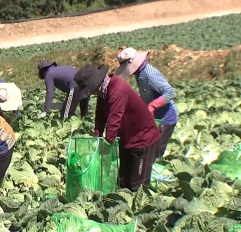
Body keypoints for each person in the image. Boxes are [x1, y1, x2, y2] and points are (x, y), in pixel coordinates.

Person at [73, 64, 161, 192]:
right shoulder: (104, 91)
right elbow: (100, 117)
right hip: (127, 140)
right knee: (123, 181)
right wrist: (96, 139)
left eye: (89, 90)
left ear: (95, 85)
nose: (90, 93)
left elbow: (114, 120)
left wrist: (106, 146)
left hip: (143, 140)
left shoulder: (117, 89)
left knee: (136, 185)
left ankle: (139, 211)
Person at [115, 47, 179, 158]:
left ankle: (156, 173)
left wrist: (153, 105)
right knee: (149, 151)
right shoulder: (140, 74)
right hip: (155, 118)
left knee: (155, 153)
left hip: (165, 118)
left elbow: (170, 93)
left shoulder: (150, 75)